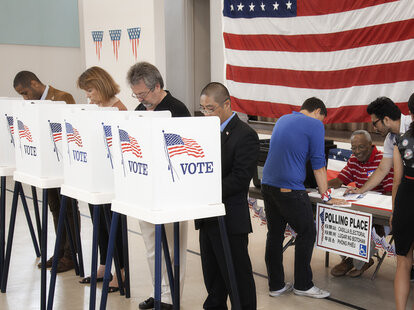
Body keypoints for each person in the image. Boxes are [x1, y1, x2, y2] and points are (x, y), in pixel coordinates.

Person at [261, 97, 346, 299]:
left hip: (267, 184)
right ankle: (303, 284)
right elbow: (318, 164)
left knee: (274, 235)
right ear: (318, 112)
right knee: (307, 232)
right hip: (289, 189)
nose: (321, 124)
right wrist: (327, 197)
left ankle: (276, 285)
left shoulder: (283, 119)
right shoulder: (315, 125)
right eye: (322, 119)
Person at [127, 61, 190, 310]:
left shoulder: (177, 109)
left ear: (158, 86)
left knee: (173, 250)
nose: (140, 99)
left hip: (172, 191)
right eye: (137, 94)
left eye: (143, 93)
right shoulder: (139, 109)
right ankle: (158, 292)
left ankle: (170, 298)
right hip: (146, 190)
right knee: (152, 247)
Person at [196, 82, 258, 309]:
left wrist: (205, 190)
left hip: (230, 219)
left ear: (227, 104)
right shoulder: (204, 132)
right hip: (207, 216)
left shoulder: (245, 135)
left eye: (210, 108)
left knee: (237, 278)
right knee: (213, 278)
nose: (206, 113)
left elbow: (240, 179)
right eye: (203, 108)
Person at [13, 70, 78, 273]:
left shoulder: (62, 98)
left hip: (62, 166)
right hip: (45, 166)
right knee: (55, 209)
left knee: (68, 209)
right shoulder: (31, 104)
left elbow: (67, 130)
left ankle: (71, 254)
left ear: (34, 83)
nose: (24, 97)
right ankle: (60, 251)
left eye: (25, 92)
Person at [77, 66, 127, 292]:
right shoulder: (92, 108)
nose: (88, 95)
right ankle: (104, 264)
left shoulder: (119, 109)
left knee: (115, 226)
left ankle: (122, 271)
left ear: (100, 85)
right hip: (95, 175)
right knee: (99, 223)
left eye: (90, 90)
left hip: (113, 179)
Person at [328, 130, 393, 278]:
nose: (357, 152)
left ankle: (359, 260)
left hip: (380, 215)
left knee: (367, 228)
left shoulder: (384, 160)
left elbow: (390, 194)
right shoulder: (353, 160)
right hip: (359, 210)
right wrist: (321, 186)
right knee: (336, 221)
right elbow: (340, 180)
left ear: (370, 145)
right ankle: (350, 259)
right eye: (354, 148)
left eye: (361, 147)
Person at [345, 97, 411, 196]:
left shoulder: (411, 124)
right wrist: (361, 190)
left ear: (386, 119)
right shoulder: (390, 139)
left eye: (375, 123)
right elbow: (382, 169)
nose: (374, 128)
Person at [392, 93, 414, 310]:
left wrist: (394, 211)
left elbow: (396, 181)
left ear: (409, 113)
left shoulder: (401, 140)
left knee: (402, 262)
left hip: (406, 199)